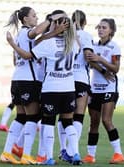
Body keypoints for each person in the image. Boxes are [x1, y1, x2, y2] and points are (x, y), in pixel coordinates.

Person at [6, 11, 82, 165]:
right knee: (68, 122)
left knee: (48, 122)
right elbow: (78, 47)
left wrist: (12, 44)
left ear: (57, 25)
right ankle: (75, 154)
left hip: (51, 88)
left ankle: (48, 157)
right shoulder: (73, 44)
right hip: (68, 88)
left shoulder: (48, 44)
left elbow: (29, 55)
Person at [0, 6, 64, 165]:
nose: (36, 18)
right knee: (33, 118)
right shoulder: (27, 33)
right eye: (34, 16)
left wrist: (53, 32)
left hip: (17, 80)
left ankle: (7, 152)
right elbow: (34, 33)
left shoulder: (20, 36)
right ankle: (26, 155)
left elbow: (16, 60)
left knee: (21, 117)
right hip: (30, 81)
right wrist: (51, 19)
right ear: (25, 19)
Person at [82, 18, 124, 164]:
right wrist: (101, 67)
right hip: (94, 88)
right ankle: (90, 155)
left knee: (106, 120)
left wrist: (100, 59)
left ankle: (118, 154)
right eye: (99, 27)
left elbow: (115, 69)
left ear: (111, 31)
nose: (100, 30)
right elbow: (89, 61)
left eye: (104, 27)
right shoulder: (92, 45)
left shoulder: (114, 47)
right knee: (93, 122)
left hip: (109, 88)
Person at [57, 9, 94, 163]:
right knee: (78, 116)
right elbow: (88, 56)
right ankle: (73, 151)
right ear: (84, 22)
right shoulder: (86, 35)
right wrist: (100, 68)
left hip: (66, 79)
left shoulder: (65, 34)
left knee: (64, 116)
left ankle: (62, 149)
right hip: (81, 79)